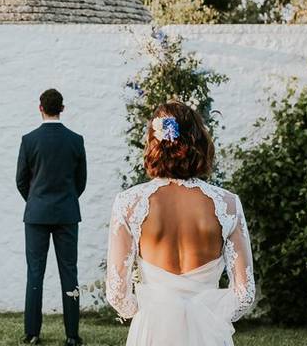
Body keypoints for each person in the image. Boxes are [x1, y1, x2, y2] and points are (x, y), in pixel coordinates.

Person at [105, 100, 256, 346]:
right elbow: (245, 294)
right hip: (208, 332)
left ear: (154, 143)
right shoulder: (227, 204)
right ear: (199, 143)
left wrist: (148, 312)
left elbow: (116, 293)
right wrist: (211, 315)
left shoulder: (128, 203)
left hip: (152, 330)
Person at [16, 88, 87, 346]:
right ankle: (72, 335)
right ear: (62, 109)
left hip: (36, 214)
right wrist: (66, 199)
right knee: (70, 271)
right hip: (67, 213)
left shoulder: (29, 140)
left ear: (40, 108)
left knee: (35, 272)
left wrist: (35, 200)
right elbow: (81, 182)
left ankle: (32, 333)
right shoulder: (75, 140)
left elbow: (21, 180)